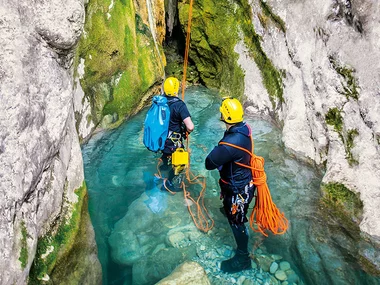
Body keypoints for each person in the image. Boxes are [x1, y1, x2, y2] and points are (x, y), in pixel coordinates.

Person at [205, 97, 255, 273]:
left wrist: (219, 152)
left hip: (238, 190)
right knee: (231, 212)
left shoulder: (229, 144)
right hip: (244, 183)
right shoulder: (244, 130)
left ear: (224, 116)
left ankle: (243, 258)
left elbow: (209, 163)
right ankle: (229, 212)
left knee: (237, 222)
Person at [160, 77, 194, 191]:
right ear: (176, 89)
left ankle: (164, 165)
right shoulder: (180, 105)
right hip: (173, 142)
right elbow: (190, 126)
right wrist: (187, 131)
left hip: (161, 139)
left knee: (165, 153)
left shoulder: (160, 102)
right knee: (180, 164)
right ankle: (169, 182)